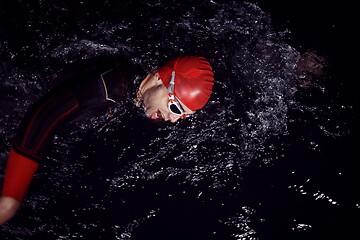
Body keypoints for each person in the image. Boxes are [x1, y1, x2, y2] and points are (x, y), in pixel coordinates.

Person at [0, 55, 215, 225]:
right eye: (175, 107)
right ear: (160, 78)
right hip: (16, 99)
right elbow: (47, 112)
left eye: (184, 115)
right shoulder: (108, 88)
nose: (174, 120)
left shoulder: (137, 88)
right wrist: (11, 199)